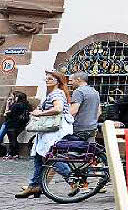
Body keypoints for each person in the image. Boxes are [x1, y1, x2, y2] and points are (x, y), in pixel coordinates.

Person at [16, 71, 73, 199]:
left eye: (50, 78)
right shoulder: (52, 93)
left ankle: (73, 180)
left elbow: (58, 109)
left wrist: (40, 114)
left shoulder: (57, 93)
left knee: (50, 156)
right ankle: (34, 185)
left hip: (53, 131)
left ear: (57, 81)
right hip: (48, 131)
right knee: (38, 155)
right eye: (46, 78)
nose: (47, 80)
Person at [67, 72, 100, 141]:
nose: (70, 83)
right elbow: (99, 111)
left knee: (75, 150)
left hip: (79, 129)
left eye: (71, 80)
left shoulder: (79, 91)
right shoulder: (95, 91)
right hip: (92, 128)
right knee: (90, 150)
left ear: (78, 79)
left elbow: (73, 111)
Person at [2, 92, 31, 159]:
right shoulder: (26, 105)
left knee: (12, 140)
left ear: (17, 97)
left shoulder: (15, 105)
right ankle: (12, 154)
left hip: (12, 125)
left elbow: (7, 115)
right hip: (21, 125)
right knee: (13, 139)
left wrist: (8, 105)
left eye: (14, 97)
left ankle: (13, 154)